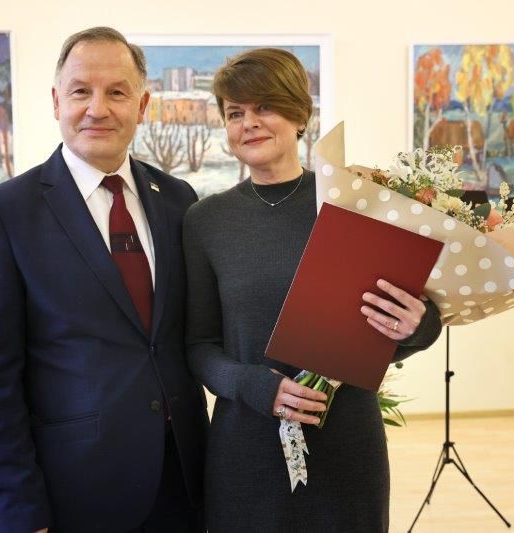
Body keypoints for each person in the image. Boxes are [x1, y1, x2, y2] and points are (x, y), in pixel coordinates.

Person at [183, 48, 442, 532]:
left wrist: (419, 325)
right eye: (235, 113)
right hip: (246, 448)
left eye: (264, 106)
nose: (248, 123)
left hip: (346, 445)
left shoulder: (353, 204)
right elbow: (199, 346)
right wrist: (255, 386)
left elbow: (401, 322)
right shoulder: (205, 221)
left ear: (301, 115)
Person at [0, 27, 207, 533]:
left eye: (117, 92)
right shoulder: (6, 213)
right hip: (76, 489)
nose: (98, 109)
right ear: (56, 101)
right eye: (80, 91)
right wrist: (19, 511)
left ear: (142, 105)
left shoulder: (178, 199)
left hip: (184, 480)